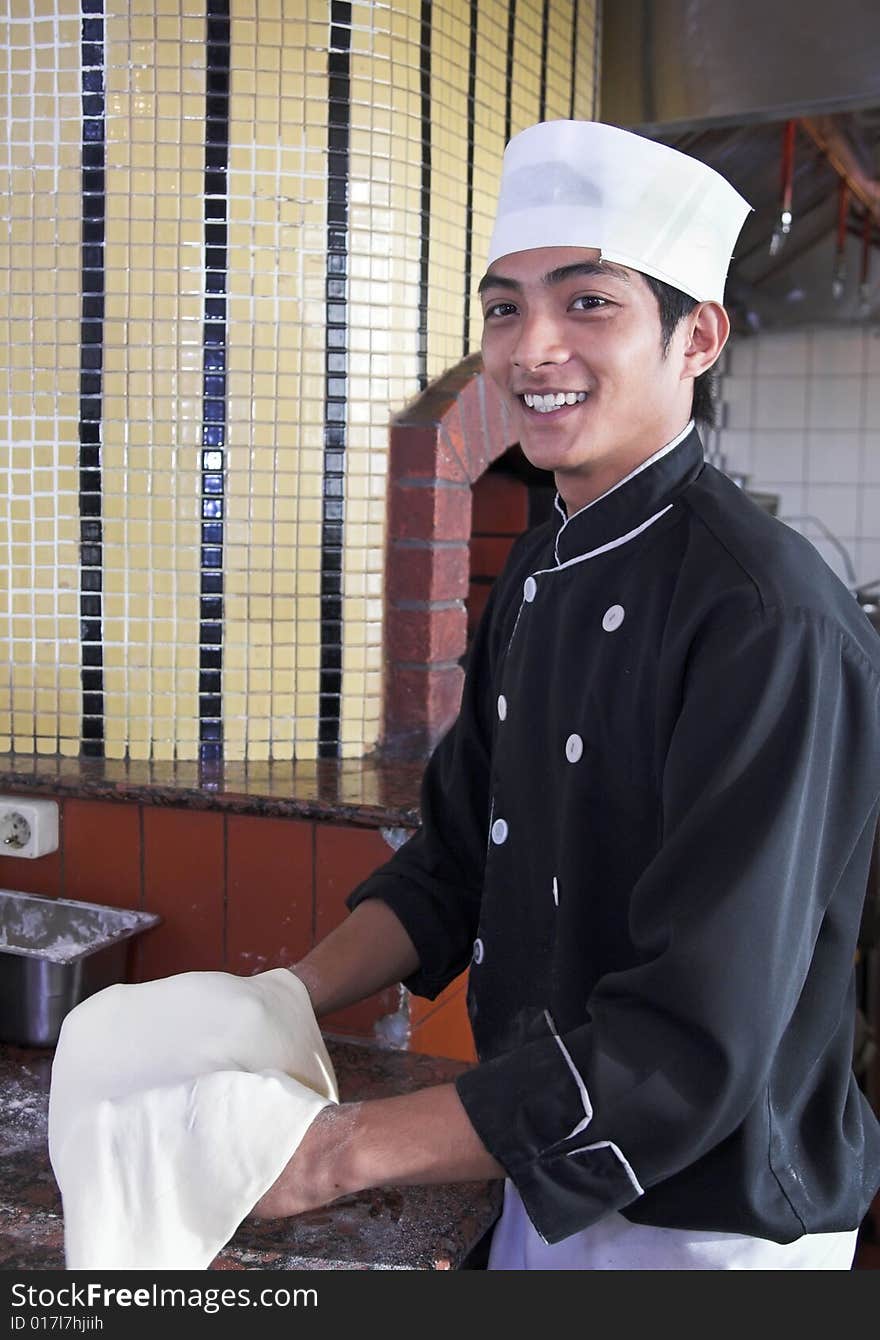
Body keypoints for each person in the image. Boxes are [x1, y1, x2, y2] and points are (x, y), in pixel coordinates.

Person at [254, 120, 880, 1269]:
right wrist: (281, 998)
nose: (532, 346)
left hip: (708, 1223)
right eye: (504, 307)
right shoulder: (543, 570)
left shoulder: (763, 615)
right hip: (533, 1165)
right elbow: (449, 864)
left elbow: (691, 1037)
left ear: (696, 337)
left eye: (587, 302)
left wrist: (340, 1150)